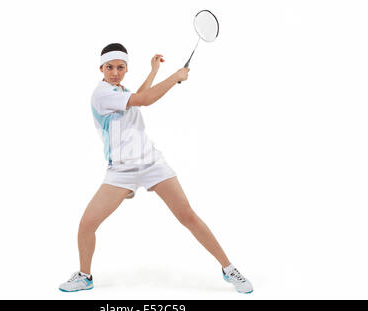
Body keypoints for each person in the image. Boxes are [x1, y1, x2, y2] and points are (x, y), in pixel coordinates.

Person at [59, 43, 253, 294]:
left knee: (188, 216)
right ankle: (85, 276)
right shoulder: (101, 93)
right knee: (87, 224)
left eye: (120, 67)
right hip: (121, 171)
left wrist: (153, 71)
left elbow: (137, 98)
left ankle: (229, 269)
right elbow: (145, 100)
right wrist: (175, 77)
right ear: (101, 68)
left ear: (126, 69)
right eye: (110, 67)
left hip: (151, 163)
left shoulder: (120, 90)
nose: (115, 72)